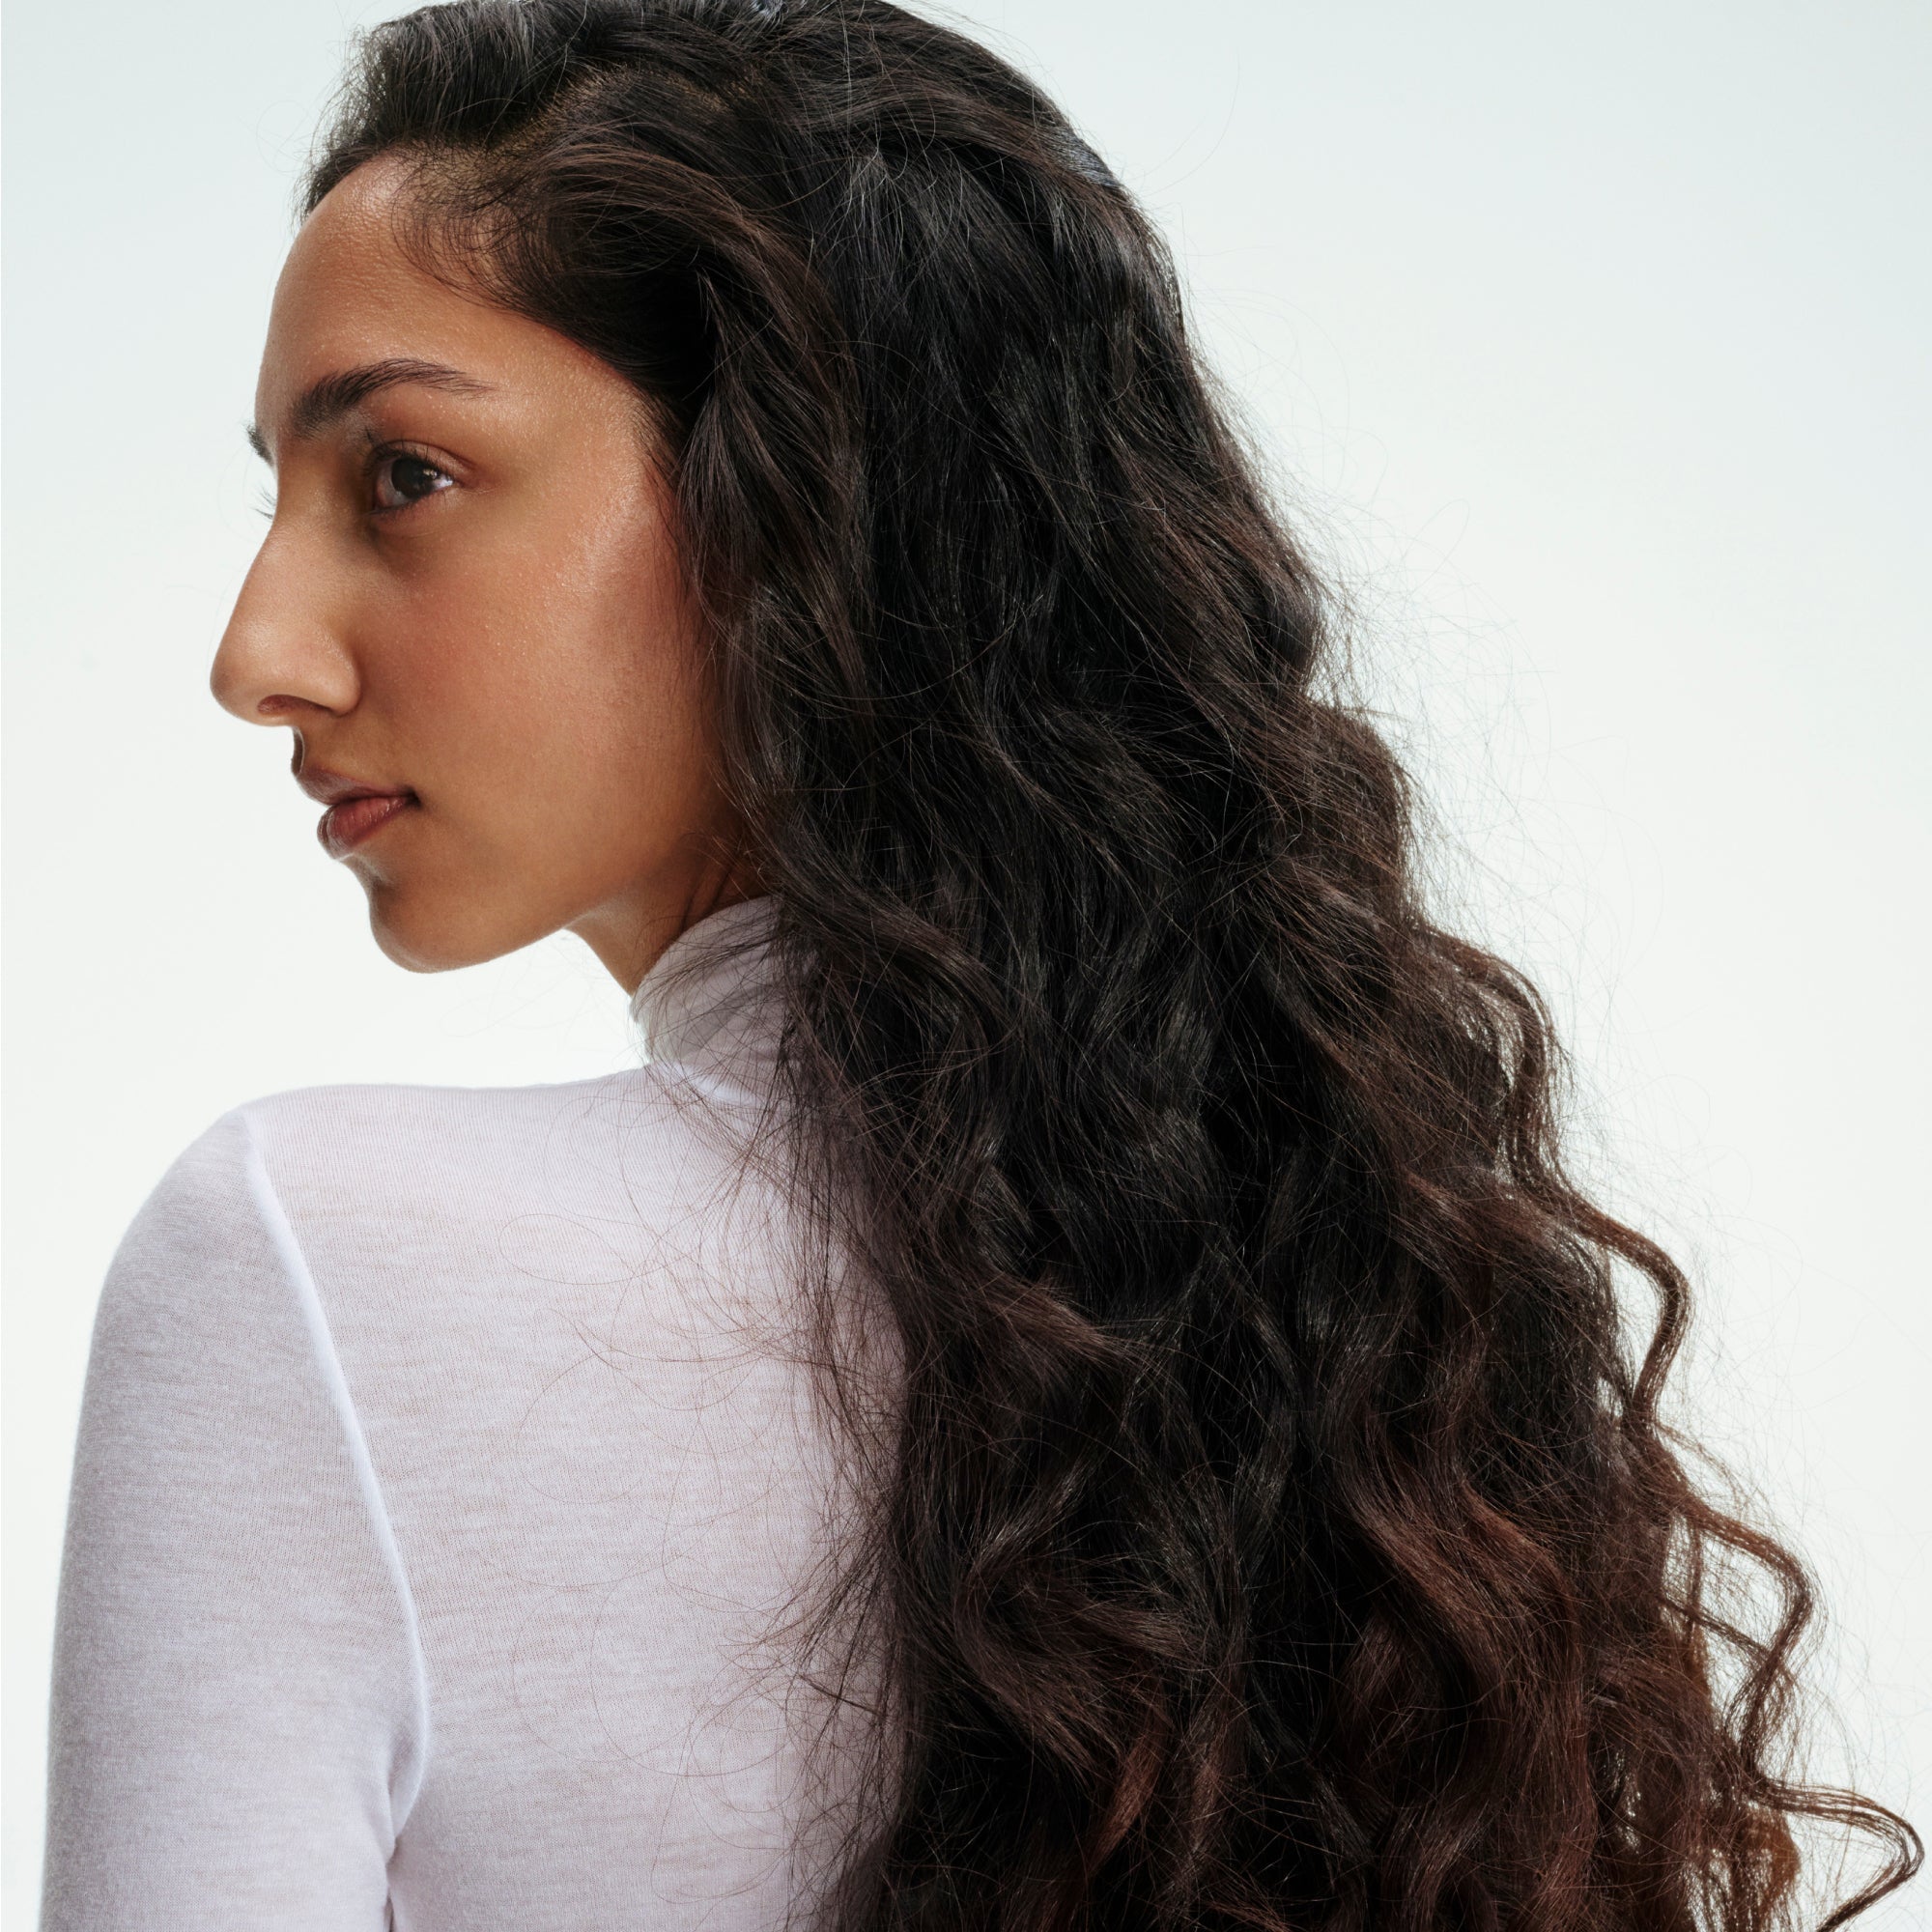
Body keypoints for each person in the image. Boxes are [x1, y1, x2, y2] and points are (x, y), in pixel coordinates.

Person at [38, 2, 1920, 1927]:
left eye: (403, 477)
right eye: (276, 497)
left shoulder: (300, 1268)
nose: (256, 653)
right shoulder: (1340, 1344)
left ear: (802, 490)